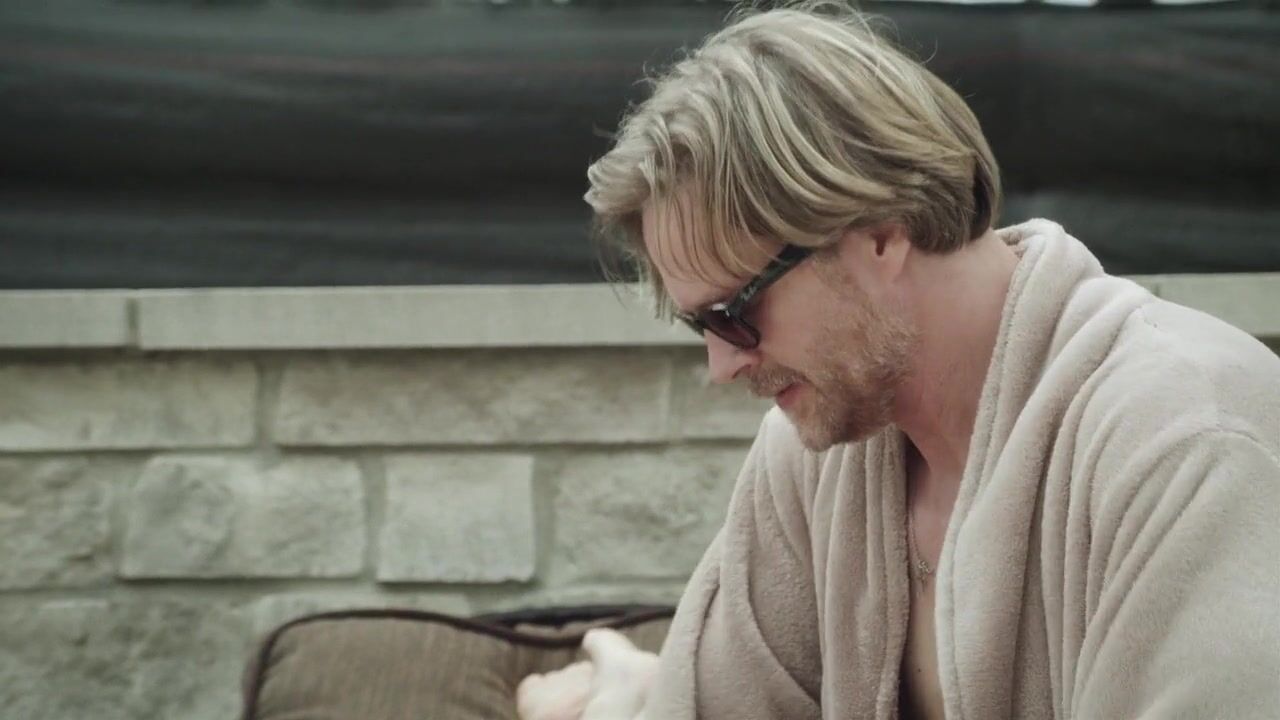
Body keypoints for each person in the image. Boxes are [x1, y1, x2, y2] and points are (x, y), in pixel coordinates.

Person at [518, 2, 1280, 718]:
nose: (722, 364)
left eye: (735, 313)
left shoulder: (1188, 442)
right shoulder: (812, 457)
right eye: (700, 326)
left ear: (881, 232)